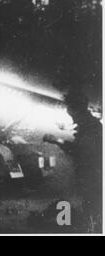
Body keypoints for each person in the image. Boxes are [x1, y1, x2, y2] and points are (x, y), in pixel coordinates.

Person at [43, 89, 102, 232]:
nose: (72, 119)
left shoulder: (92, 128)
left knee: (93, 207)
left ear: (77, 109)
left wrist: (56, 140)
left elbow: (80, 151)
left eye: (72, 113)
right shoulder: (89, 126)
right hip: (91, 175)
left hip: (93, 176)